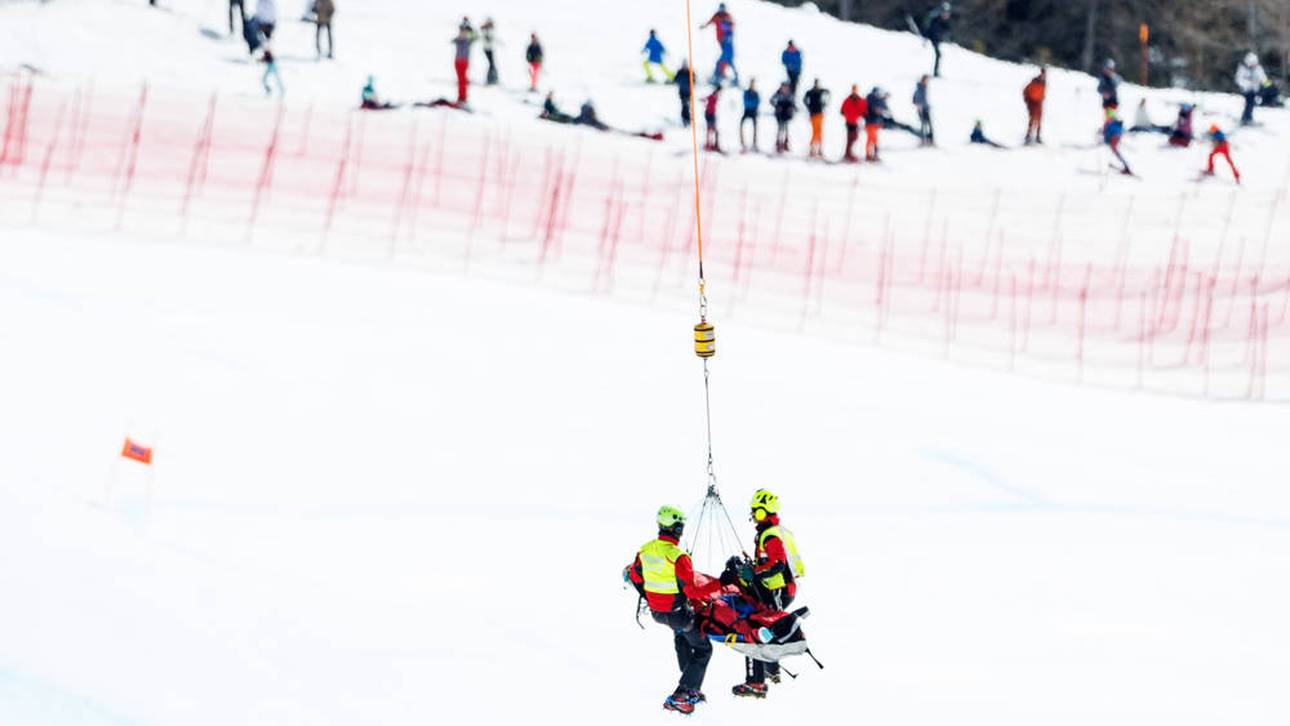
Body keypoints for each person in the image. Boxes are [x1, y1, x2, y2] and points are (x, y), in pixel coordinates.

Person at [625, 506, 714, 715]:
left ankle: (690, 687)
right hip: (678, 614)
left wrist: (653, 596)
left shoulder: (645, 550)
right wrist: (721, 584)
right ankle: (682, 694)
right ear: (677, 528)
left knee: (681, 637)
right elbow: (692, 591)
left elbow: (636, 578)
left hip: (658, 613)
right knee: (703, 649)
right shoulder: (678, 556)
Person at [731, 489, 806, 698]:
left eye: (756, 511)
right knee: (767, 629)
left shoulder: (770, 535)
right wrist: (755, 565)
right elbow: (773, 562)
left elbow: (778, 565)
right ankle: (772, 672)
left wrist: (753, 571)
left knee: (755, 629)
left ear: (764, 511)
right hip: (783, 588)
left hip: (776, 590)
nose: (753, 515)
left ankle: (756, 683)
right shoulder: (776, 531)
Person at [1236, 52, 1268, 126]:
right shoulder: (1243, 68)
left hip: (1255, 89)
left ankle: (1246, 117)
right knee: (1249, 103)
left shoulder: (1258, 69)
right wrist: (1247, 85)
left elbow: (1263, 77)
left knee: (1251, 104)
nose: (1253, 65)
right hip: (1246, 90)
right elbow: (1239, 79)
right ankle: (1247, 118)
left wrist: (1267, 85)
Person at [802, 79, 830, 159]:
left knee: (820, 132)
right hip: (813, 114)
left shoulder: (821, 91)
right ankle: (812, 150)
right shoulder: (810, 92)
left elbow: (828, 93)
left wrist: (824, 104)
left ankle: (819, 149)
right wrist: (809, 107)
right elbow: (805, 100)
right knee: (815, 132)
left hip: (820, 114)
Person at [923, 2, 952, 78]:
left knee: (938, 55)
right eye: (944, 13)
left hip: (938, 40)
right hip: (934, 39)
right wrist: (926, 38)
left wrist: (946, 36)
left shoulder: (945, 21)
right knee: (938, 54)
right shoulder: (936, 20)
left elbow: (947, 30)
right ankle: (935, 72)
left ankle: (936, 71)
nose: (946, 15)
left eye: (947, 13)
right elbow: (931, 30)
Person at [840, 84, 867, 162]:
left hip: (856, 121)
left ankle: (849, 153)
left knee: (854, 137)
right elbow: (842, 110)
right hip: (849, 122)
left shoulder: (860, 100)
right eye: (853, 89)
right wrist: (847, 115)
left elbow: (864, 110)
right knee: (850, 138)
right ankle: (848, 153)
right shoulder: (848, 100)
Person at [451, 26, 476, 104]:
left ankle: (463, 97)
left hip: (464, 62)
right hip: (458, 61)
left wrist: (471, 31)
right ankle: (461, 97)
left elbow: (475, 37)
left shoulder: (468, 40)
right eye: (462, 32)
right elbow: (452, 41)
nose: (463, 34)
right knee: (460, 80)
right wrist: (459, 37)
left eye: (465, 32)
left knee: (463, 80)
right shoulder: (458, 40)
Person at [1103, 109, 1131, 175]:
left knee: (1116, 153)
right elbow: (1120, 130)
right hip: (1115, 139)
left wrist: (1106, 139)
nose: (1106, 117)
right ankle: (1125, 166)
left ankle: (1126, 166)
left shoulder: (1109, 123)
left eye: (1107, 115)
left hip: (1113, 139)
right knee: (1116, 152)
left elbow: (1108, 132)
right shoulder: (1115, 122)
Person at [771, 82, 796, 153]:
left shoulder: (790, 95)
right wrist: (777, 106)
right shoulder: (778, 93)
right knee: (780, 129)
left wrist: (791, 109)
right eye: (784, 87)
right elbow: (772, 100)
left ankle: (785, 143)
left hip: (786, 115)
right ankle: (778, 143)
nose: (785, 89)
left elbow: (793, 104)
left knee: (786, 129)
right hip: (779, 114)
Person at [711, 19, 738, 86]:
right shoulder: (727, 32)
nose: (723, 27)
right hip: (729, 52)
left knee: (719, 63)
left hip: (727, 52)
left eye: (724, 26)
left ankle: (716, 77)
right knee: (730, 64)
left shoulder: (729, 32)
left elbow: (726, 40)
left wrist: (723, 40)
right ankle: (736, 77)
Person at [864, 86, 887, 161]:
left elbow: (883, 109)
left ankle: (870, 155)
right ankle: (871, 155)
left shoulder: (877, 99)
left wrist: (884, 99)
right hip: (870, 123)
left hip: (875, 123)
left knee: (871, 140)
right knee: (874, 139)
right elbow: (875, 110)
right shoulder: (870, 99)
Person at [1022, 67, 1045, 144]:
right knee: (1032, 119)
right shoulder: (1034, 81)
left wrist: (1042, 100)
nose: (1043, 76)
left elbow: (1042, 93)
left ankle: (1038, 136)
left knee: (1039, 120)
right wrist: (1027, 100)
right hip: (1032, 102)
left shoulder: (1044, 83)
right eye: (1042, 74)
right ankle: (1028, 135)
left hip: (1039, 103)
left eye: (1044, 74)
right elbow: (1025, 90)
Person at [912, 74, 933, 146]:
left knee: (928, 125)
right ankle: (924, 140)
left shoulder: (924, 88)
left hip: (926, 108)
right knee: (924, 125)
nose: (928, 81)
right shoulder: (920, 88)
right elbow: (916, 99)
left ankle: (929, 140)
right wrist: (919, 107)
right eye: (927, 80)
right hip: (922, 109)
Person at [741, 79, 760, 152]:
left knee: (755, 127)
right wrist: (752, 104)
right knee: (741, 125)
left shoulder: (756, 93)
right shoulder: (747, 92)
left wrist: (752, 104)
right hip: (747, 111)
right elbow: (746, 102)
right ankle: (743, 143)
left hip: (753, 112)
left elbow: (757, 102)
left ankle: (754, 142)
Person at [480, 18, 499, 85]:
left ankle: (492, 78)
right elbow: (486, 38)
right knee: (491, 64)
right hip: (487, 49)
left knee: (492, 64)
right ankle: (490, 79)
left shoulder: (490, 29)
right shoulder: (485, 30)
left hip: (490, 48)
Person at [703, 87, 721, 151]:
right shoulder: (711, 97)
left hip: (712, 115)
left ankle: (712, 144)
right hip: (708, 114)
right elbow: (705, 99)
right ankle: (709, 144)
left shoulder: (716, 97)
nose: (719, 94)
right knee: (710, 130)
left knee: (713, 130)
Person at [677, 59, 693, 127]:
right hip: (682, 92)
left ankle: (687, 120)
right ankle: (685, 120)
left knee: (686, 106)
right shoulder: (680, 72)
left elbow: (694, 80)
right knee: (684, 106)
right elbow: (676, 79)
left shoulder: (690, 72)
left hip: (688, 92)